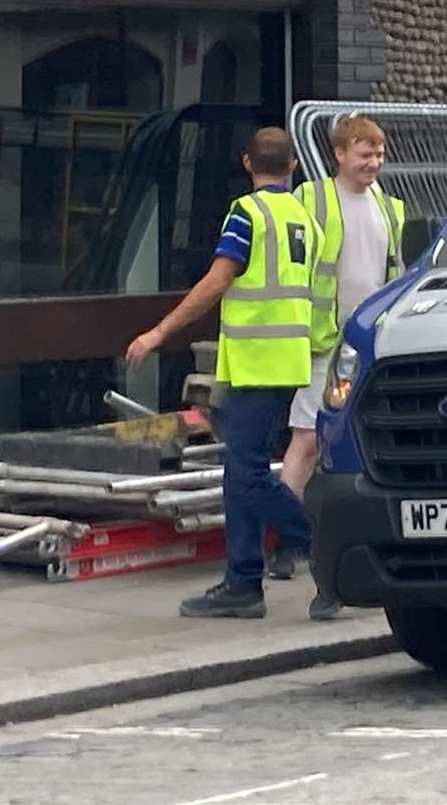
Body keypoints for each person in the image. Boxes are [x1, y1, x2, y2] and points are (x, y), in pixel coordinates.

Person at [125, 127, 318, 619]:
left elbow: (217, 281)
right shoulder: (305, 218)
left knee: (249, 475)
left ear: (247, 164)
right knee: (239, 472)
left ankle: (322, 545)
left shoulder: (247, 214)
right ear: (293, 165)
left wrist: (158, 333)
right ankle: (242, 581)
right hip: (288, 359)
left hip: (259, 362)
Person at [270, 115, 406, 597]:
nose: (374, 162)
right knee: (305, 440)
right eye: (365, 153)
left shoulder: (390, 208)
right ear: (340, 155)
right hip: (323, 341)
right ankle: (287, 543)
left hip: (369, 343)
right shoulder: (313, 199)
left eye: (379, 154)